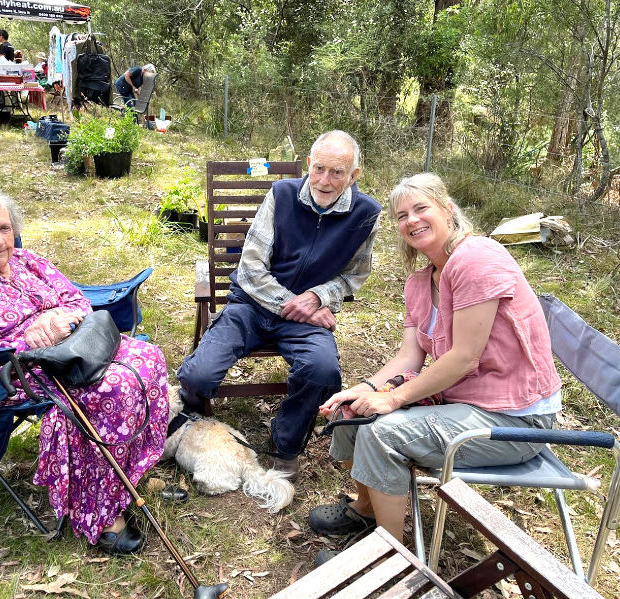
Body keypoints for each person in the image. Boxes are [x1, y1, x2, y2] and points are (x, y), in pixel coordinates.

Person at [308, 172, 561, 557]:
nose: (411, 220)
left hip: (515, 420)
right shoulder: (421, 280)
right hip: (465, 403)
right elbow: (409, 357)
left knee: (383, 433)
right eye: (401, 215)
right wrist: (369, 389)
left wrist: (392, 401)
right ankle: (365, 509)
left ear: (448, 211)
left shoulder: (477, 259)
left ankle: (389, 556)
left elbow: (464, 357)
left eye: (421, 208)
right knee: (351, 412)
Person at [0, 187, 169, 554]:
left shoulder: (28, 261)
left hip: (73, 348)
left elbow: (75, 299)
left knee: (149, 358)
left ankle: (130, 475)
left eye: (4, 228)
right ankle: (99, 512)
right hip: (17, 372)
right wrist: (27, 342)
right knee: (112, 389)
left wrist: (58, 319)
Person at [177, 130, 382, 482]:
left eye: (337, 172)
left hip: (306, 318)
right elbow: (251, 268)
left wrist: (317, 298)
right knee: (198, 374)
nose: (325, 180)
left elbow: (354, 276)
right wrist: (294, 303)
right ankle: (189, 418)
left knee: (321, 371)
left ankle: (285, 442)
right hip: (252, 305)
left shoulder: (366, 214)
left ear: (354, 176)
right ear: (308, 164)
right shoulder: (281, 195)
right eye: (319, 169)